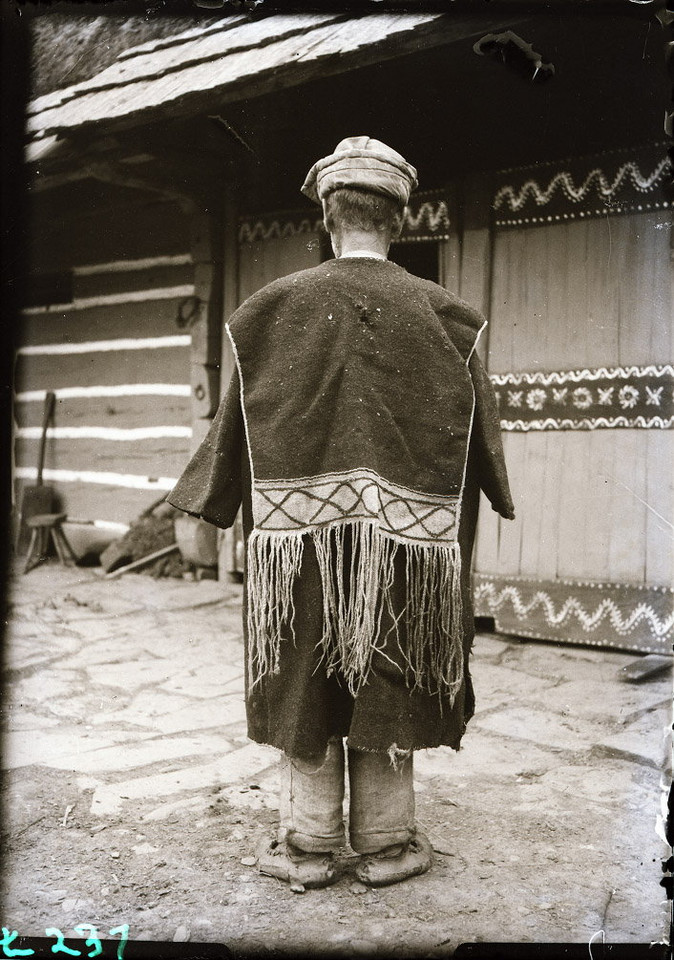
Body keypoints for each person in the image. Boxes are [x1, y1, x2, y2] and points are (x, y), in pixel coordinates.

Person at [168, 136, 514, 890]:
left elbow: (232, 428)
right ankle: (389, 846)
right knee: (397, 663)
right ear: (401, 217)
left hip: (299, 543)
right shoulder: (452, 320)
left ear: (328, 216)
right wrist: (495, 491)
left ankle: (308, 846)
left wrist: (207, 504)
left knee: (303, 669)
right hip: (410, 548)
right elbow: (485, 443)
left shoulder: (265, 314)